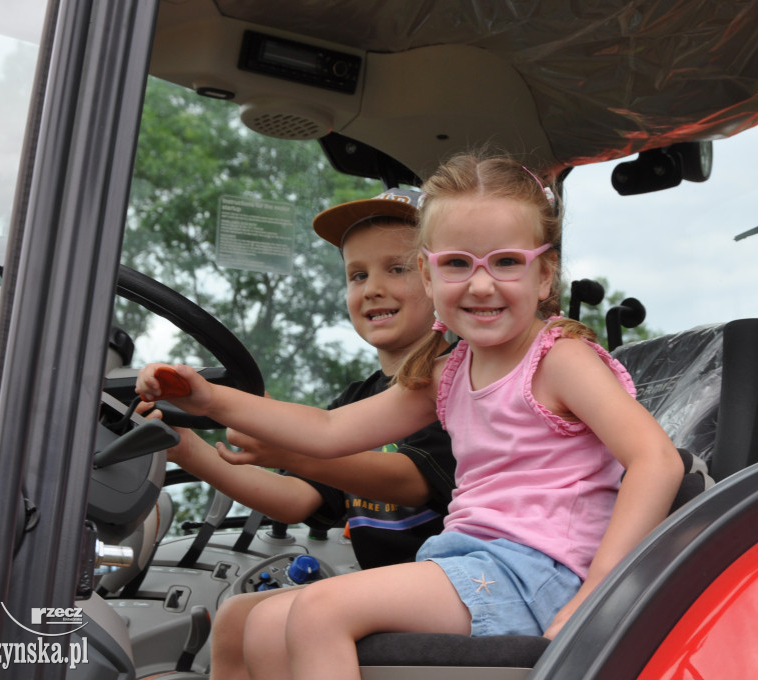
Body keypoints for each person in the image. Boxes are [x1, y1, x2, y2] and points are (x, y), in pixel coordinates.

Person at [136, 153, 683, 680]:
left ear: (545, 275)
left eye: (507, 262)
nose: (482, 283)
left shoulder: (560, 358)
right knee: (260, 625)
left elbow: (655, 459)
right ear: (429, 275)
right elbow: (329, 432)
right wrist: (208, 400)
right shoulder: (449, 372)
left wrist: (599, 592)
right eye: (457, 264)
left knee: (319, 610)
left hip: (543, 573)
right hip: (470, 560)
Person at [140, 188, 455, 680]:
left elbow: (411, 480)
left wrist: (295, 451)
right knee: (237, 616)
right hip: (382, 590)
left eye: (397, 268)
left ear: (442, 278)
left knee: (272, 618)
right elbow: (293, 499)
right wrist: (180, 444)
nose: (371, 287)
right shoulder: (359, 399)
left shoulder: (457, 379)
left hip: (446, 587)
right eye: (357, 274)